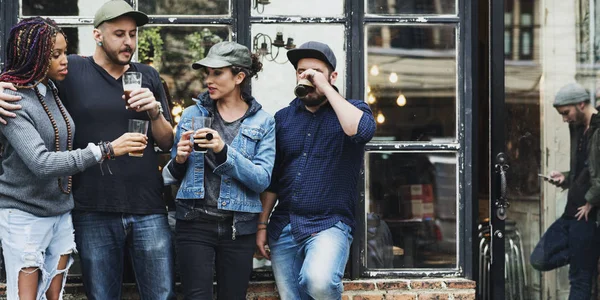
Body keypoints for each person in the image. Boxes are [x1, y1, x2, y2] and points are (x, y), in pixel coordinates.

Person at [0, 1, 176, 299]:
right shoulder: (70, 70)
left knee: (161, 294)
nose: (128, 42)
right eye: (119, 33)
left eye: (133, 34)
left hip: (147, 205)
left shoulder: (147, 75)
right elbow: (29, 75)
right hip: (91, 206)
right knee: (100, 295)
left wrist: (156, 112)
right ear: (97, 35)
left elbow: (167, 142)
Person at [256, 41, 376, 300]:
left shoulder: (353, 110)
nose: (307, 76)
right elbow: (273, 178)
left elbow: (362, 131)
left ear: (332, 76)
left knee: (319, 282)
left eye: (316, 71)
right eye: (301, 71)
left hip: (329, 224)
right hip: (284, 226)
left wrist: (325, 88)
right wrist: (262, 225)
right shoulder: (283, 118)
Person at [162, 41, 275, 299]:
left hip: (239, 228)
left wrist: (223, 150)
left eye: (217, 72)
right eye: (207, 73)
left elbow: (261, 179)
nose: (208, 80)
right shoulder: (192, 115)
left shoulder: (264, 122)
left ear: (239, 76)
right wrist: (179, 160)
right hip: (194, 222)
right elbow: (169, 175)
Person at [530, 83, 600, 300]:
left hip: (587, 217)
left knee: (579, 280)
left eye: (566, 113)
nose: (564, 119)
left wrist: (591, 200)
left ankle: (585, 256)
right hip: (571, 213)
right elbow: (586, 169)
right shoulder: (579, 129)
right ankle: (586, 254)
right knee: (539, 258)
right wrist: (565, 178)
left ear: (581, 104)